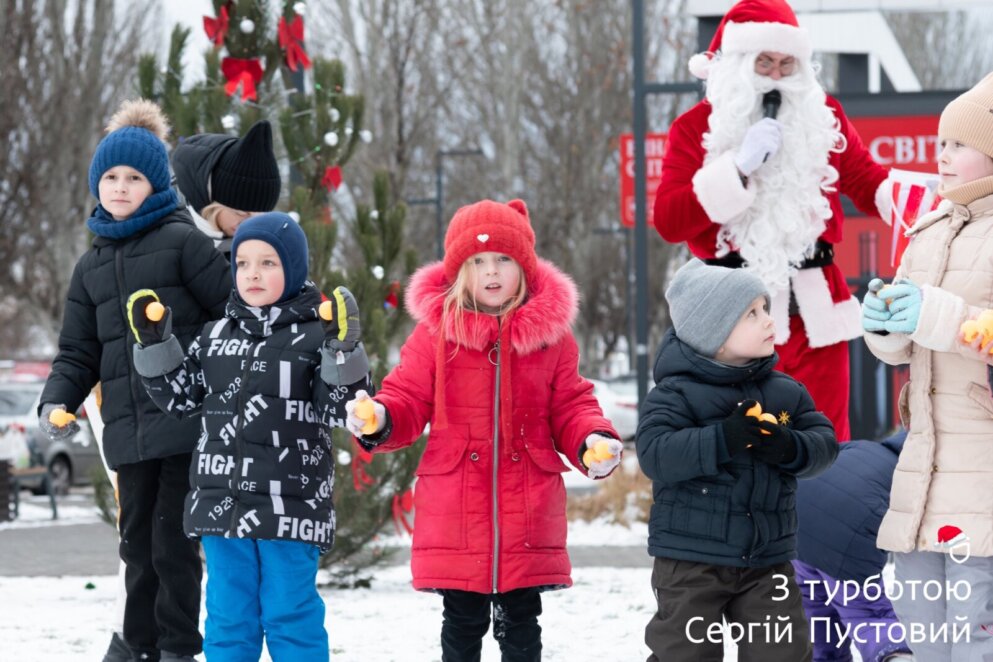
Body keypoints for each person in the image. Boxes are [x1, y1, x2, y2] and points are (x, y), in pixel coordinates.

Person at [343, 199, 623, 661]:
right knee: (461, 625)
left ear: (525, 268)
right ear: (459, 271)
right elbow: (409, 395)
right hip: (457, 510)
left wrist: (592, 439)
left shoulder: (550, 338)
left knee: (522, 629)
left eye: (503, 260)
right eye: (477, 262)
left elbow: (572, 403)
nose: (491, 272)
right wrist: (382, 416)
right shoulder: (436, 334)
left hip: (526, 510)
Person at [129, 212, 371, 661]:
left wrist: (343, 349)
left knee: (289, 615)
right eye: (242, 263)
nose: (253, 274)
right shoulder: (216, 335)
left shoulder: (316, 335)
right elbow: (180, 399)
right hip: (223, 507)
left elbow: (344, 405)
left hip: (290, 508)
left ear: (294, 269)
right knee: (227, 618)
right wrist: (155, 343)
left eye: (268, 263)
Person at [38, 99, 231, 661]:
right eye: (111, 177)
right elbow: (78, 349)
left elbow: (229, 316)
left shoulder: (182, 242)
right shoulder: (90, 267)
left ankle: (174, 647)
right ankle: (140, 642)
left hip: (185, 423)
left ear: (157, 185)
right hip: (128, 432)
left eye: (135, 177)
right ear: (98, 185)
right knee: (136, 547)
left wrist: (200, 373)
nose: (121, 188)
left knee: (172, 544)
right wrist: (60, 398)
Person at [653, 0, 891, 442]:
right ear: (737, 64)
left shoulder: (824, 118)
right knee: (747, 450)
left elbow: (866, 180)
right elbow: (669, 220)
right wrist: (737, 168)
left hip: (815, 321)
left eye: (788, 63)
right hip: (733, 325)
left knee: (822, 447)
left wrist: (920, 198)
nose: (777, 77)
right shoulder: (694, 129)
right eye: (765, 62)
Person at [637, 258, 839, 661]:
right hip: (691, 561)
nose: (768, 320)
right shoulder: (674, 394)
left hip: (768, 560)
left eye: (765, 308)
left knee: (781, 651)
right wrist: (722, 439)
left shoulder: (785, 392)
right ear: (714, 334)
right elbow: (656, 453)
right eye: (752, 314)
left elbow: (825, 443)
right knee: (685, 652)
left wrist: (790, 448)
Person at [861, 72, 993, 660]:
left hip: (982, 464)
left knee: (972, 627)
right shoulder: (928, 228)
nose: (941, 156)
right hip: (923, 465)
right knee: (921, 623)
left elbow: (962, 324)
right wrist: (884, 326)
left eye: (957, 145)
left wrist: (934, 312)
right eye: (940, 143)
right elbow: (907, 346)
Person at [794, 431, 914, 662]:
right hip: (847, 535)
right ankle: (895, 656)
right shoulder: (918, 473)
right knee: (869, 613)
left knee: (817, 610)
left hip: (796, 519)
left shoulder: (862, 446)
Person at [171, 119, 281, 260]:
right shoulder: (165, 240)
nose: (250, 224)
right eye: (241, 213)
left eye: (261, 216)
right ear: (211, 201)